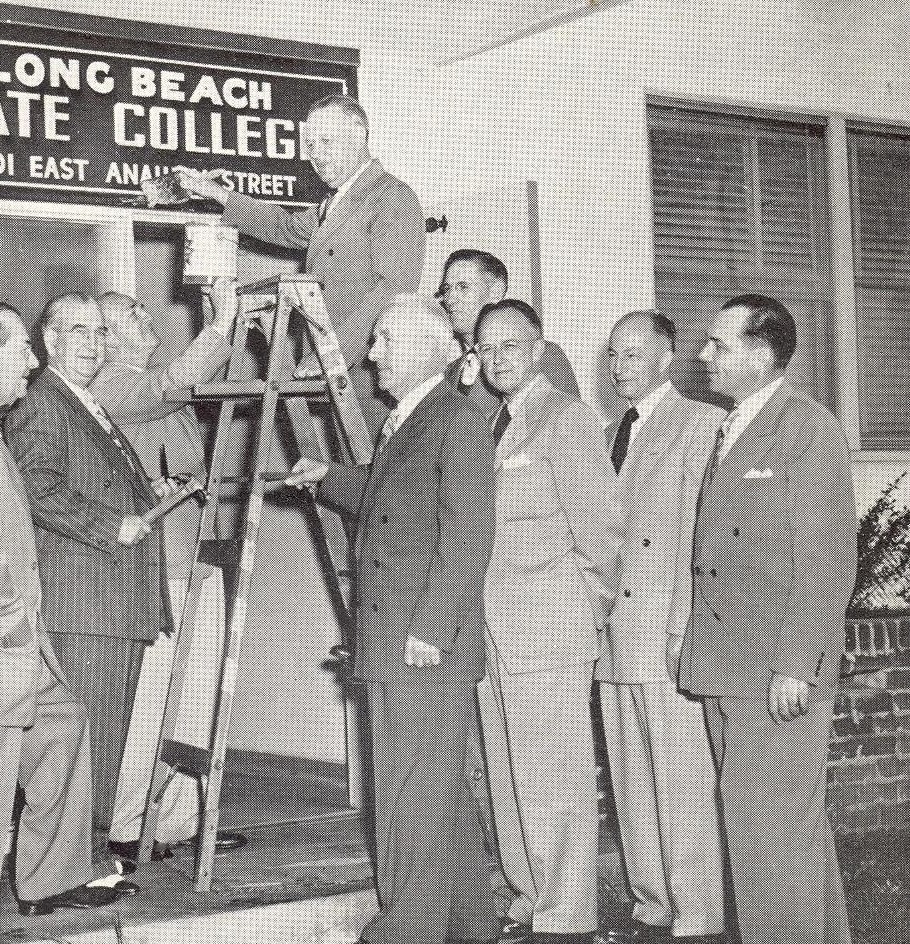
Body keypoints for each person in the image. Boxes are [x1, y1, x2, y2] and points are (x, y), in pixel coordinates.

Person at [286, 295, 499, 944]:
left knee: (408, 796)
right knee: (435, 792)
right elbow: (389, 496)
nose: (371, 353)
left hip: (420, 645)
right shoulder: (410, 420)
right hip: (396, 640)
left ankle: (404, 931)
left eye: (384, 340)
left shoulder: (454, 420)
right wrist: (328, 477)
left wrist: (430, 630)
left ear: (429, 350)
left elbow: (467, 537)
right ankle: (470, 922)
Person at [679, 294, 858, 944]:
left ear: (759, 355)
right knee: (781, 836)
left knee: (768, 838)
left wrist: (796, 667)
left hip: (774, 675)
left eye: (718, 345)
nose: (704, 356)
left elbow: (827, 561)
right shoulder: (735, 424)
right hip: (728, 668)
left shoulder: (806, 429)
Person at [474, 298, 618, 944]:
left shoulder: (566, 418)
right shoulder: (489, 425)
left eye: (511, 346)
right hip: (492, 634)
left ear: (538, 350)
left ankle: (565, 916)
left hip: (549, 631)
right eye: (486, 349)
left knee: (554, 779)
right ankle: (530, 894)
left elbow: (604, 537)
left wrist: (580, 616)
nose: (497, 359)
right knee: (508, 776)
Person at [5, 295, 172, 846]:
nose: (93, 343)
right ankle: (83, 863)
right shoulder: (43, 403)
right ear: (50, 340)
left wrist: (150, 496)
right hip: (84, 602)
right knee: (89, 744)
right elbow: (35, 488)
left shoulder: (84, 403)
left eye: (100, 332)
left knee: (104, 742)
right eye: (79, 332)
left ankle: (90, 859)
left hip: (111, 601)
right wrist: (109, 525)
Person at [90, 287, 244, 864]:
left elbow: (185, 384)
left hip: (197, 558)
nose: (147, 313)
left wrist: (217, 325)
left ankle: (179, 821)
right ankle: (127, 823)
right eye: (133, 310)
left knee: (197, 701)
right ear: (106, 332)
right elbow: (172, 385)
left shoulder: (155, 385)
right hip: (163, 571)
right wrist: (222, 324)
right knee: (154, 699)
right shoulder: (112, 384)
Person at [177, 94, 426, 437]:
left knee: (377, 476)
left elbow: (393, 292)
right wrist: (217, 193)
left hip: (370, 369)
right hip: (336, 372)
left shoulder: (390, 196)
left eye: (326, 141)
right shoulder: (335, 204)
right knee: (343, 478)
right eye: (310, 144)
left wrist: (332, 353)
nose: (316, 155)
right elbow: (286, 227)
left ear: (359, 133)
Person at [597, 311, 726, 943]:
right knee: (629, 773)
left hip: (663, 629)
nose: (618, 365)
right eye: (612, 356)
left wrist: (687, 629)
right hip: (613, 632)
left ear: (665, 358)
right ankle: (651, 895)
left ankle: (696, 906)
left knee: (681, 775)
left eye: (631, 354)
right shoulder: (608, 429)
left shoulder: (699, 425)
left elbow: (698, 539)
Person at [0, 303, 121, 916]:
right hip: (3, 645)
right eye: (21, 347)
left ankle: (50, 878)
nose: (30, 360)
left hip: (23, 639)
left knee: (65, 721)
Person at [437, 249, 579, 413]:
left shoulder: (543, 355)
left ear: (495, 292)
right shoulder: (448, 374)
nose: (449, 300)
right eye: (446, 289)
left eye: (463, 287)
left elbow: (571, 425)